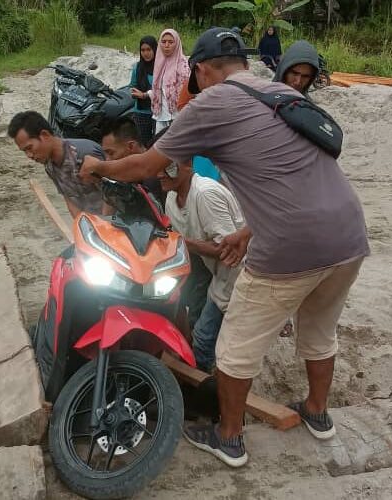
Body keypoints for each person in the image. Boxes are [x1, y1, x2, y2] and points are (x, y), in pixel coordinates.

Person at [79, 28, 369, 468]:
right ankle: (317, 412)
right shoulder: (281, 92)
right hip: (348, 234)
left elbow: (146, 165)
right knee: (319, 333)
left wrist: (99, 165)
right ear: (243, 63)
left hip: (289, 247)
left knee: (234, 348)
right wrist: (247, 232)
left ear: (200, 70)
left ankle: (228, 437)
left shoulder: (211, 102)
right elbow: (298, 179)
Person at [159, 162, 244, 372]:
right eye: (157, 167)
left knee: (206, 341)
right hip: (220, 277)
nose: (160, 174)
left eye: (168, 167)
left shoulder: (205, 194)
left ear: (187, 166)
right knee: (204, 336)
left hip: (241, 277)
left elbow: (228, 249)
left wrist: (177, 241)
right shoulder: (172, 198)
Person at [8, 111, 110, 217]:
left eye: (29, 148)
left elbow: (113, 195)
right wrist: (80, 224)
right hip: (92, 222)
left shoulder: (84, 154)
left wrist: (105, 223)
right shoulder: (49, 166)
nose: (29, 155)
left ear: (45, 135)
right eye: (24, 151)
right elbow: (70, 200)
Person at [100, 116, 163, 203]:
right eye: (105, 154)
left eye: (111, 153)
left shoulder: (156, 179)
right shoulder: (125, 179)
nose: (107, 160)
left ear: (131, 146)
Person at [151, 29, 190, 133]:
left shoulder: (183, 65)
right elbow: (159, 90)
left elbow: (187, 91)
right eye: (163, 42)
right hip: (162, 116)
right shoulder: (159, 63)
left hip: (179, 116)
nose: (166, 45)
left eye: (171, 42)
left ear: (176, 44)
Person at [130, 36, 157, 146]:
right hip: (141, 112)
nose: (146, 53)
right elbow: (132, 85)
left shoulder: (161, 68)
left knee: (157, 144)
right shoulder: (137, 67)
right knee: (143, 145)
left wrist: (145, 94)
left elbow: (164, 89)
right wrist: (134, 93)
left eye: (149, 49)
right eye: (143, 50)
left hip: (158, 113)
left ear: (155, 49)